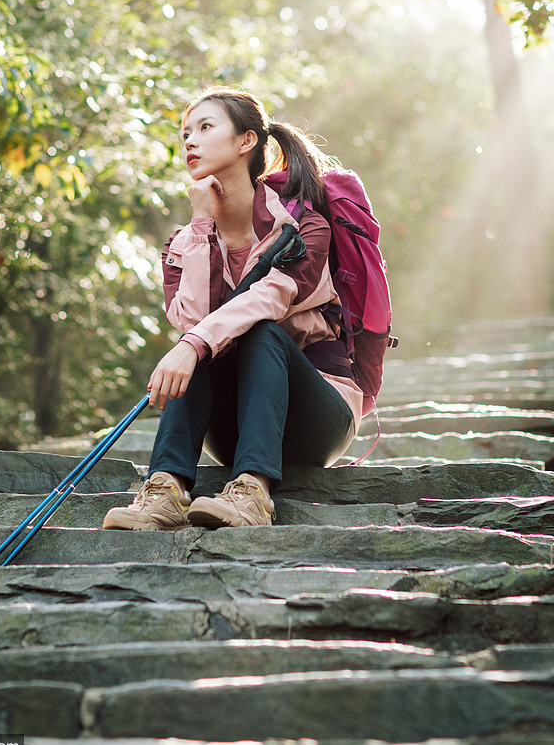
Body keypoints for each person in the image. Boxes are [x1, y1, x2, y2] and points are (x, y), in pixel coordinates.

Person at [102, 86, 363, 531]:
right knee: (204, 340)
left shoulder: (304, 226)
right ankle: (165, 490)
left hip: (318, 418)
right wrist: (203, 226)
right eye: (185, 133)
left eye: (205, 127)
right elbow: (192, 322)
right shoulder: (181, 245)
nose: (189, 141)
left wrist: (196, 342)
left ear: (246, 141)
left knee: (257, 330)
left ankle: (253, 495)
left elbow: (271, 297)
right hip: (234, 428)